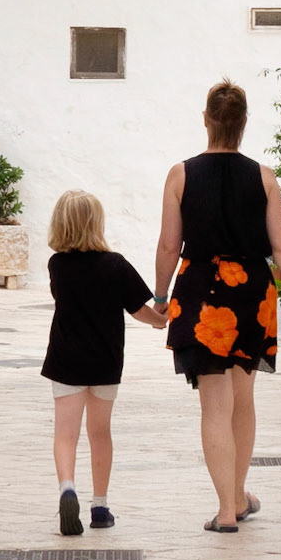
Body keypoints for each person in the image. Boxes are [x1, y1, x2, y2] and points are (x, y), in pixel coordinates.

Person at [154, 79, 281, 532]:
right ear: (244, 124)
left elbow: (169, 246)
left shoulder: (180, 175)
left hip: (201, 294)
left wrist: (161, 296)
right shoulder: (264, 177)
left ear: (206, 120)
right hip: (251, 293)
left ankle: (227, 508)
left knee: (214, 407)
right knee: (243, 399)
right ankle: (239, 497)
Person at [42, 189, 168, 537]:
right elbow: (139, 308)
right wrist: (160, 321)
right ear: (97, 223)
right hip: (105, 361)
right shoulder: (115, 265)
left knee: (65, 435)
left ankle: (67, 488)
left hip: (65, 359)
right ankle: (99, 506)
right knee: (100, 434)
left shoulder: (57, 266)